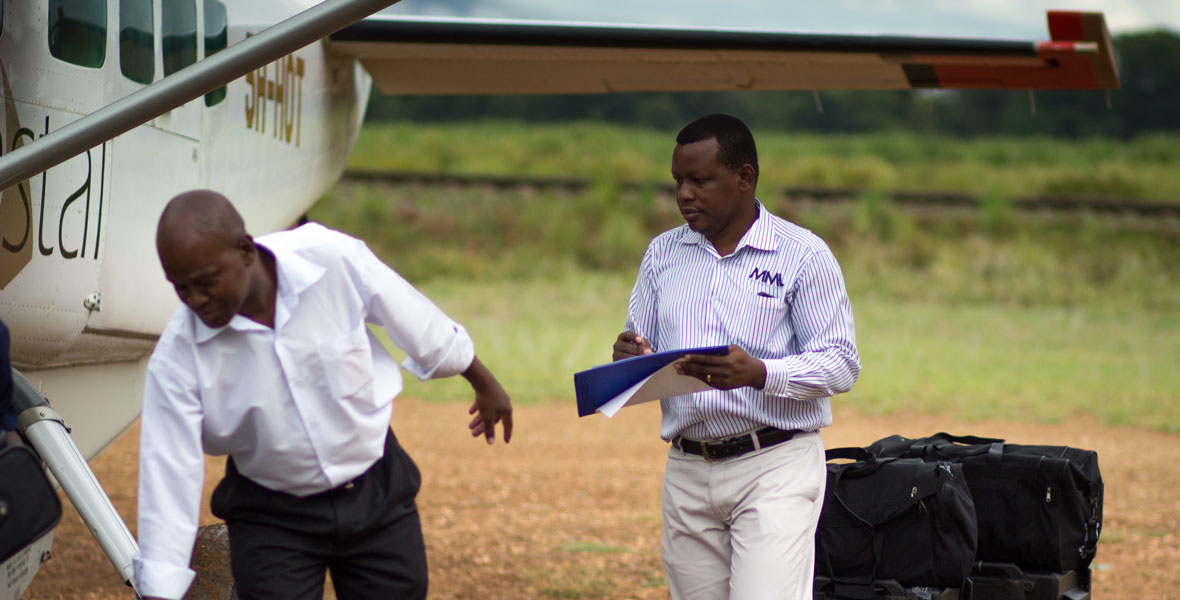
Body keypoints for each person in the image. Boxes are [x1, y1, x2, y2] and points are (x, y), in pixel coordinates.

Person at [135, 190, 513, 600]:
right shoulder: (178, 357)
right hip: (271, 516)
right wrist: (161, 588)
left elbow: (417, 322)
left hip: (376, 490)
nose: (196, 300)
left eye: (206, 282)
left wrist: (481, 378)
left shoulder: (332, 259)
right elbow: (168, 471)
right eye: (181, 289)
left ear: (245, 250)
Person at [612, 114, 860, 599]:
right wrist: (628, 357)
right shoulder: (662, 253)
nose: (684, 194)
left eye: (701, 180)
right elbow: (643, 349)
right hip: (687, 467)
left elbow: (841, 362)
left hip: (774, 464)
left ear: (745, 178)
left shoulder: (802, 256)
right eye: (678, 181)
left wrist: (760, 372)